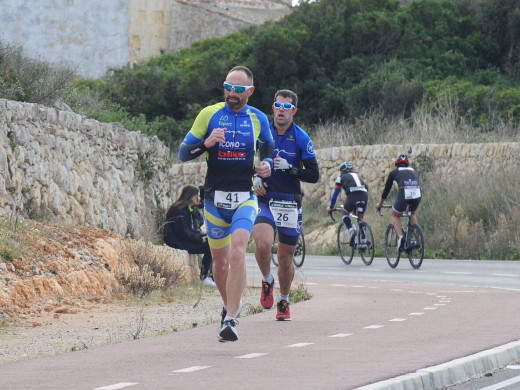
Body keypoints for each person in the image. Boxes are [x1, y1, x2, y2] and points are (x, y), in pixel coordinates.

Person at [178, 65, 274, 342]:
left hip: (245, 197)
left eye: (238, 89)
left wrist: (265, 164)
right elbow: (184, 153)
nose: (232, 93)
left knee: (237, 252)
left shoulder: (257, 118)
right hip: (214, 199)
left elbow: (267, 146)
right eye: (228, 87)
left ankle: (231, 320)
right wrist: (207, 144)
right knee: (220, 265)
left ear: (250, 92)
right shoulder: (209, 114)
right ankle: (230, 304)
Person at [252, 89, 319, 321]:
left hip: (289, 202)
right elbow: (244, 161)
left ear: (294, 111)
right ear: (273, 108)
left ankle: (284, 299)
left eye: (287, 107)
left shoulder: (301, 137)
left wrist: (289, 169)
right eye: (278, 105)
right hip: (265, 199)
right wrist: (255, 178)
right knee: (262, 243)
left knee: (286, 258)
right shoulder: (261, 132)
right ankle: (266, 280)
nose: (281, 110)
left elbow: (314, 175)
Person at [163, 185, 216, 287]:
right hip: (177, 242)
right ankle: (205, 277)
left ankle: (211, 277)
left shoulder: (189, 209)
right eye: (198, 196)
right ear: (191, 196)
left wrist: (204, 236)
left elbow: (193, 229)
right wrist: (200, 239)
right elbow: (184, 232)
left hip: (184, 240)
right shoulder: (180, 210)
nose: (199, 198)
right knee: (210, 246)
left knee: (213, 240)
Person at [375, 154, 422, 249]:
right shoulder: (413, 170)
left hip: (404, 192)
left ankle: (401, 238)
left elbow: (387, 190)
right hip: (417, 192)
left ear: (397, 164)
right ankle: (412, 240)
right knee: (412, 213)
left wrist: (380, 203)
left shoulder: (394, 172)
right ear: (407, 164)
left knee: (395, 214)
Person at [327, 161, 369, 246]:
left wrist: (331, 207)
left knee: (344, 212)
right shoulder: (357, 175)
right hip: (364, 195)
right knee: (360, 216)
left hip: (353, 195)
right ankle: (364, 240)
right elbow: (367, 187)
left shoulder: (341, 177)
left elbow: (335, 194)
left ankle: (351, 230)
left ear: (342, 171)